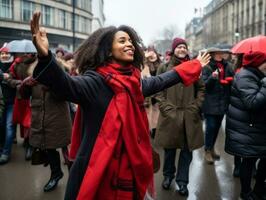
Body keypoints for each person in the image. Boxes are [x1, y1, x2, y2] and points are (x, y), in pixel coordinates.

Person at [30, 11, 210, 200]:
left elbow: (164, 79)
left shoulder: (135, 83)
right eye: (122, 41)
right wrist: (45, 57)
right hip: (99, 172)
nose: (130, 44)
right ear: (108, 50)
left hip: (131, 170)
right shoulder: (95, 82)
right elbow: (65, 85)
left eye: (131, 41)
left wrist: (195, 64)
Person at [154, 38, 205, 196]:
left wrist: (195, 106)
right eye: (179, 47)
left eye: (184, 47)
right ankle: (168, 176)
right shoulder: (164, 67)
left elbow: (201, 89)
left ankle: (183, 182)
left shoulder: (194, 66)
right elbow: (158, 89)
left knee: (186, 151)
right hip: (170, 116)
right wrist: (166, 108)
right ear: (173, 49)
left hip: (189, 117)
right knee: (169, 150)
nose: (182, 49)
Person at [225, 51, 266, 200]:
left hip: (258, 126)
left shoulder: (258, 75)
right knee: (248, 160)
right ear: (259, 63)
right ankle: (246, 192)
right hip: (246, 127)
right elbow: (252, 102)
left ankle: (260, 188)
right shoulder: (244, 76)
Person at [201, 47, 234, 164]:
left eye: (222, 53)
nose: (221, 55)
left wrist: (230, 80)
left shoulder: (227, 66)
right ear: (213, 55)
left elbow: (232, 79)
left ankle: (211, 148)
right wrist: (213, 77)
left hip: (222, 102)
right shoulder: (207, 67)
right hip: (210, 103)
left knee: (216, 129)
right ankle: (207, 151)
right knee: (210, 128)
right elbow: (204, 85)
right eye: (218, 53)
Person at [0, 47, 16, 164]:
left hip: (12, 101)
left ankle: (6, 153)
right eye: (3, 53)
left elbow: (20, 81)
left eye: (7, 53)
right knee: (1, 127)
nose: (5, 55)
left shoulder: (15, 65)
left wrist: (9, 79)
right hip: (1, 103)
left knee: (9, 127)